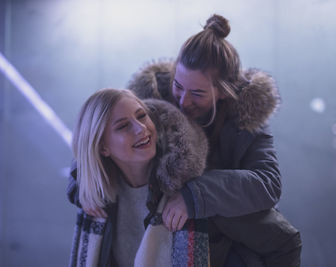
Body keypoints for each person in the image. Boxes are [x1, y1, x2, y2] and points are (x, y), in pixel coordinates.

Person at [127, 14, 302, 267]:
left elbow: (268, 183)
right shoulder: (145, 103)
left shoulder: (247, 121)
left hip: (225, 245)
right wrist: (85, 184)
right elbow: (106, 138)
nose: (183, 101)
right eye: (178, 86)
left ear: (223, 90)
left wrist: (195, 196)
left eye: (197, 93)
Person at [68, 88, 210, 267]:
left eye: (142, 116)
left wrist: (195, 198)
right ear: (103, 148)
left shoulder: (189, 191)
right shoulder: (96, 201)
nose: (141, 128)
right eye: (123, 126)